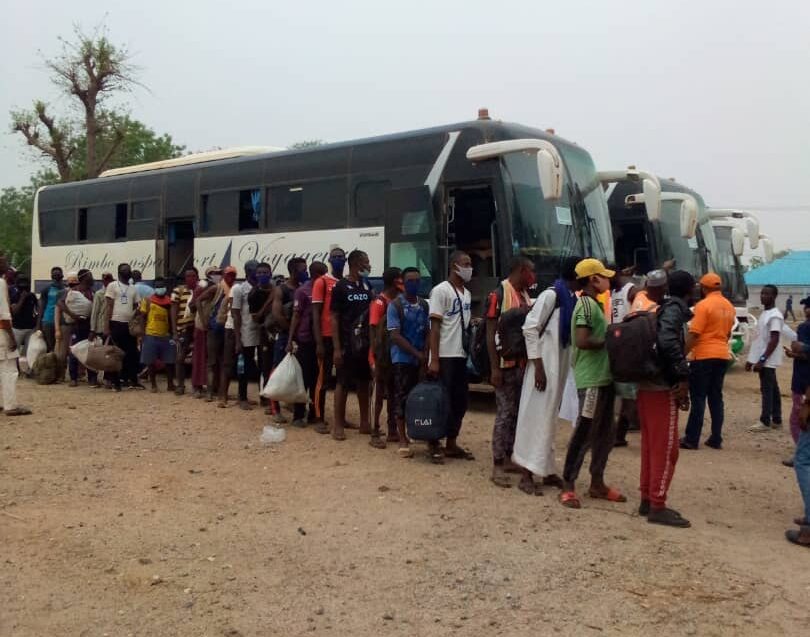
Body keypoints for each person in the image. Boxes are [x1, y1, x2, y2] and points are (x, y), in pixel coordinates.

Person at [560, 258, 625, 509]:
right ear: (593, 279)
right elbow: (582, 340)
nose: (608, 280)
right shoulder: (586, 306)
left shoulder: (595, 304)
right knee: (585, 432)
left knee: (606, 434)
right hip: (591, 381)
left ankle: (597, 482)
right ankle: (568, 485)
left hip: (603, 378)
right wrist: (612, 339)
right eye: (603, 276)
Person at [512, 256, 579, 495]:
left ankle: (546, 468)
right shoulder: (551, 295)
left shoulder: (570, 298)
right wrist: (538, 367)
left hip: (557, 367)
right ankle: (526, 474)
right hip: (543, 367)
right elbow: (530, 328)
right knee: (535, 417)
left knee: (549, 418)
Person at [637, 270, 695, 527]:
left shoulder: (662, 308)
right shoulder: (674, 310)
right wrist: (682, 375)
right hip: (662, 386)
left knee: (651, 445)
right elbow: (668, 340)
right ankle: (657, 505)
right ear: (690, 290)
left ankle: (647, 498)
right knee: (666, 449)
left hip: (647, 384)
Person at [486, 256, 534, 488]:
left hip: (521, 364)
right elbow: (490, 333)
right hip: (504, 366)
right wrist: (494, 368)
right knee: (505, 414)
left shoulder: (524, 294)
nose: (533, 277)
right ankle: (497, 464)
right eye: (531, 271)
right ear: (522, 270)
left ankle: (508, 456)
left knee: (516, 413)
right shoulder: (499, 294)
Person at [428, 250, 474, 464]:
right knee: (441, 401)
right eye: (466, 263)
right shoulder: (440, 291)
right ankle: (434, 442)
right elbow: (435, 327)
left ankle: (451, 442)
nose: (470, 268)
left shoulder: (467, 293)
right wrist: (434, 359)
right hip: (445, 354)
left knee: (460, 401)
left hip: (461, 354)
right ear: (454, 266)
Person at [680, 273, 736, 449]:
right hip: (722, 355)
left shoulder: (703, 306)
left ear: (703, 288)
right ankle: (716, 438)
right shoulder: (729, 306)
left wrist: (681, 354)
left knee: (698, 397)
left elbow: (695, 334)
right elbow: (728, 333)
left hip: (703, 356)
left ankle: (691, 439)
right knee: (716, 397)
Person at [330, 250, 374, 441]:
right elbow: (334, 317)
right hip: (347, 343)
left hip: (364, 344)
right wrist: (337, 348)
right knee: (343, 383)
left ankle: (365, 423)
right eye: (366, 262)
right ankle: (338, 425)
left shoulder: (366, 285)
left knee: (364, 382)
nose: (369, 266)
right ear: (356, 264)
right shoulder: (340, 287)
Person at [387, 267, 431, 459]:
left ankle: (417, 432)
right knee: (401, 397)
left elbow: (429, 331)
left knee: (419, 398)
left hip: (421, 359)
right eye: (410, 281)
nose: (414, 284)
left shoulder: (424, 304)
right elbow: (395, 336)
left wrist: (426, 354)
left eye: (417, 280)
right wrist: (417, 354)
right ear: (403, 283)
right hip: (402, 359)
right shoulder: (395, 305)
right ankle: (402, 439)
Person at [287, 261, 328, 426]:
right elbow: (296, 316)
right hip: (305, 340)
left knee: (318, 381)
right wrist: (290, 340)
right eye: (324, 273)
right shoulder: (302, 291)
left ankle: (315, 414)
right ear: (316, 275)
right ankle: (298, 415)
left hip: (322, 340)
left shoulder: (327, 289)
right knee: (302, 379)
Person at [369, 266, 403, 448]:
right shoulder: (380, 302)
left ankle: (392, 430)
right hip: (380, 355)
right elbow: (373, 330)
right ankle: (374, 431)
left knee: (393, 392)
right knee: (379, 392)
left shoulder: (397, 301)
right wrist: (375, 357)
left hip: (393, 354)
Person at [271, 257, 309, 421]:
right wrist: (291, 332)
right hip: (285, 336)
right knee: (278, 371)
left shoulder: (303, 288)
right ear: (293, 271)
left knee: (297, 373)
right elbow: (277, 315)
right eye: (303, 269)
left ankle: (293, 404)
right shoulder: (282, 290)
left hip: (300, 336)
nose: (305, 272)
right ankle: (275, 409)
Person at [312, 247, 345, 432]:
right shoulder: (322, 282)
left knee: (342, 380)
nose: (338, 259)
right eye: (335, 257)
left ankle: (340, 419)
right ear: (330, 260)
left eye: (341, 257)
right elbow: (316, 314)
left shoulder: (346, 283)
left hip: (342, 338)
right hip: (325, 338)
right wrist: (318, 343)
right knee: (322, 381)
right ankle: (319, 418)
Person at [747, 284, 785, 432]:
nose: (763, 296)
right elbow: (760, 340)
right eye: (762, 293)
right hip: (763, 358)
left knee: (767, 389)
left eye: (767, 294)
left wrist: (762, 360)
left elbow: (774, 340)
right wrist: (751, 359)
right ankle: (777, 419)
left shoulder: (775, 316)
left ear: (774, 296)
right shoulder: (765, 313)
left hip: (768, 359)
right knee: (773, 389)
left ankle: (765, 421)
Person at [0, 253, 31, 415]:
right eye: (3, 261)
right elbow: (4, 315)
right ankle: (11, 406)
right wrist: (11, 337)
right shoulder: (0, 283)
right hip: (2, 332)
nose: (7, 265)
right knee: (9, 370)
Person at [104, 263, 143, 391]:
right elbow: (109, 306)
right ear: (119, 272)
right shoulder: (112, 286)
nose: (127, 272)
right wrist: (106, 326)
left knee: (131, 353)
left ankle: (132, 380)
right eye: (125, 270)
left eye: (128, 270)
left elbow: (136, 306)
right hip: (116, 322)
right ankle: (115, 382)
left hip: (129, 325)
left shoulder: (133, 289)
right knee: (115, 353)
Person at [137, 277, 176, 393]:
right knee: (150, 361)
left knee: (170, 361)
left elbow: (172, 319)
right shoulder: (148, 300)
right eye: (158, 286)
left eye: (162, 286)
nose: (160, 288)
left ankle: (170, 384)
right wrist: (142, 334)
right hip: (150, 334)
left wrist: (173, 333)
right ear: (154, 288)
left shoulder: (169, 302)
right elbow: (142, 317)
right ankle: (153, 385)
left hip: (166, 335)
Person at [231, 260, 261, 410]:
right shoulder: (239, 289)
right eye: (255, 270)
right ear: (248, 272)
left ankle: (264, 397)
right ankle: (242, 397)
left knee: (262, 365)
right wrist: (238, 339)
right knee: (244, 366)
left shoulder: (262, 287)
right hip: (246, 332)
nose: (257, 274)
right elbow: (236, 314)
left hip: (261, 331)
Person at [785, 298, 810, 466]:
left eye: (808, 307)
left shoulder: (804, 327)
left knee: (798, 418)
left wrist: (798, 351)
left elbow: (804, 354)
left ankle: (802, 453)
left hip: (803, 381)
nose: (806, 309)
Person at [63, 269, 98, 388]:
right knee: (74, 350)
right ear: (83, 278)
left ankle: (92, 377)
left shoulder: (92, 292)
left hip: (89, 325)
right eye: (90, 276)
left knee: (91, 352)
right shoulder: (73, 291)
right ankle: (73, 378)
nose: (92, 278)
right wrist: (73, 315)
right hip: (76, 325)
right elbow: (60, 303)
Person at [247, 263, 275, 412]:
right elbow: (255, 318)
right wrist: (268, 303)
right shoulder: (254, 294)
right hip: (264, 334)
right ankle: (266, 398)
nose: (262, 275)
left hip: (279, 333)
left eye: (265, 272)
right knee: (266, 367)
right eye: (259, 273)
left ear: (270, 273)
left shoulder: (277, 289)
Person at [189, 267, 219, 398]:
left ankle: (213, 386)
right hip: (202, 326)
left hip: (214, 325)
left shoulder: (219, 287)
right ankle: (197, 385)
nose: (217, 275)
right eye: (214, 273)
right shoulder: (202, 288)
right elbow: (192, 305)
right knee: (200, 356)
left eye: (219, 273)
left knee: (213, 357)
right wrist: (202, 318)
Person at [171, 267, 200, 396]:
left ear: (197, 277)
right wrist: (174, 331)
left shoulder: (200, 290)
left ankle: (197, 386)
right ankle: (180, 385)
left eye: (193, 276)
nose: (190, 278)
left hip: (198, 327)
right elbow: (173, 311)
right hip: (184, 328)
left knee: (198, 358)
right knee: (180, 357)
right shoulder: (178, 291)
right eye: (188, 276)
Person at [89, 272, 114, 388]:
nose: (107, 281)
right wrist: (92, 329)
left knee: (109, 354)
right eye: (105, 280)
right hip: (100, 328)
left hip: (112, 327)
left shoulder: (115, 292)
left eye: (109, 279)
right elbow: (95, 312)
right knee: (97, 354)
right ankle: (93, 378)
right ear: (103, 281)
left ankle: (108, 379)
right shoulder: (99, 294)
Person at [10, 275, 38, 365]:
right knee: (15, 352)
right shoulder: (14, 296)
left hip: (30, 328)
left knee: (28, 351)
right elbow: (14, 311)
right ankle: (15, 368)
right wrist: (22, 298)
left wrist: (37, 324)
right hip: (17, 328)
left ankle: (27, 368)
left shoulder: (32, 296)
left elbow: (37, 309)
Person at [38, 266, 64, 352]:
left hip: (62, 322)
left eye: (58, 274)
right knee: (50, 347)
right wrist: (38, 325)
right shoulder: (46, 289)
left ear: (62, 276)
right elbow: (41, 307)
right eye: (54, 275)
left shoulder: (66, 289)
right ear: (51, 276)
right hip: (48, 321)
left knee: (61, 347)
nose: (56, 276)